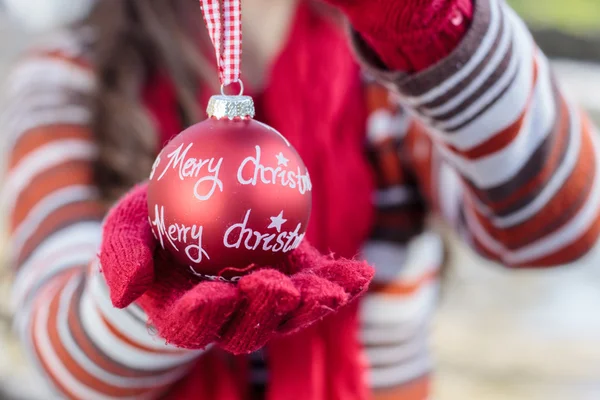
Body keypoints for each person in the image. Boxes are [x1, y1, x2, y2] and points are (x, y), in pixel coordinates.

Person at [2, 0, 599, 399]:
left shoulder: (391, 76)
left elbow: (559, 224)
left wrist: (429, 24)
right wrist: (159, 276)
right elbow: (65, 363)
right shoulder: (66, 79)